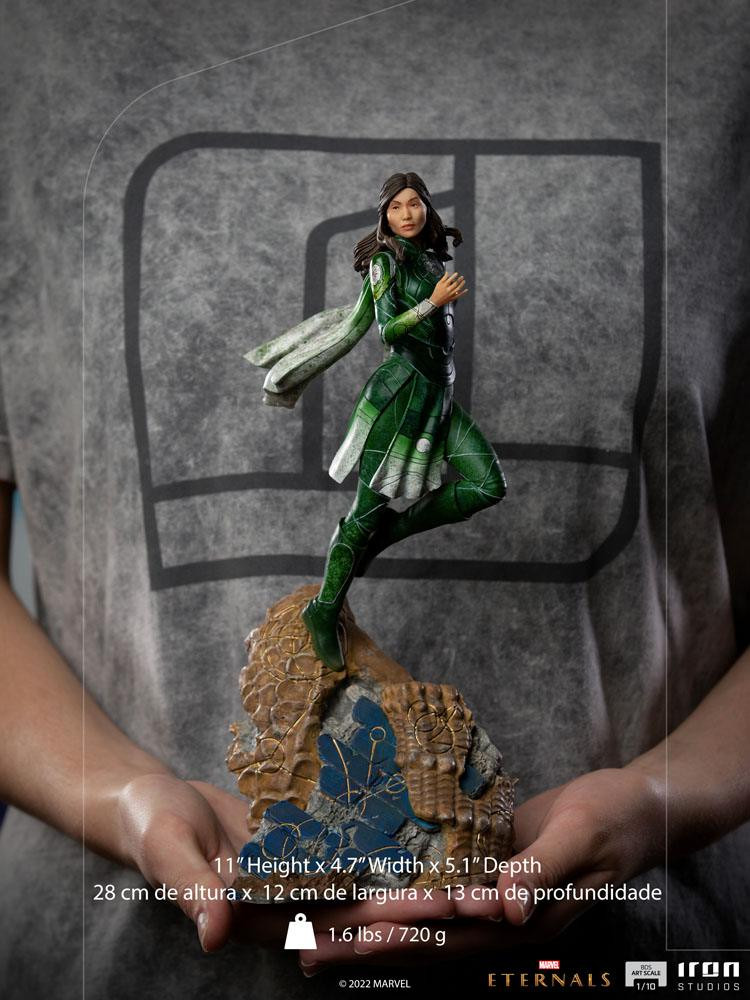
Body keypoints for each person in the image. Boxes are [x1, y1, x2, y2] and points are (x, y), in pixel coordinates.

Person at [272, 172, 508, 668]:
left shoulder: (429, 256)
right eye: (396, 206)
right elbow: (388, 330)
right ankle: (323, 609)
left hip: (438, 395)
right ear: (384, 215)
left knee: (488, 485)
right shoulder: (384, 262)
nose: (406, 214)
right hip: (399, 397)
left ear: (426, 207)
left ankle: (387, 533)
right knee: (363, 514)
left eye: (414, 203)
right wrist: (433, 303)